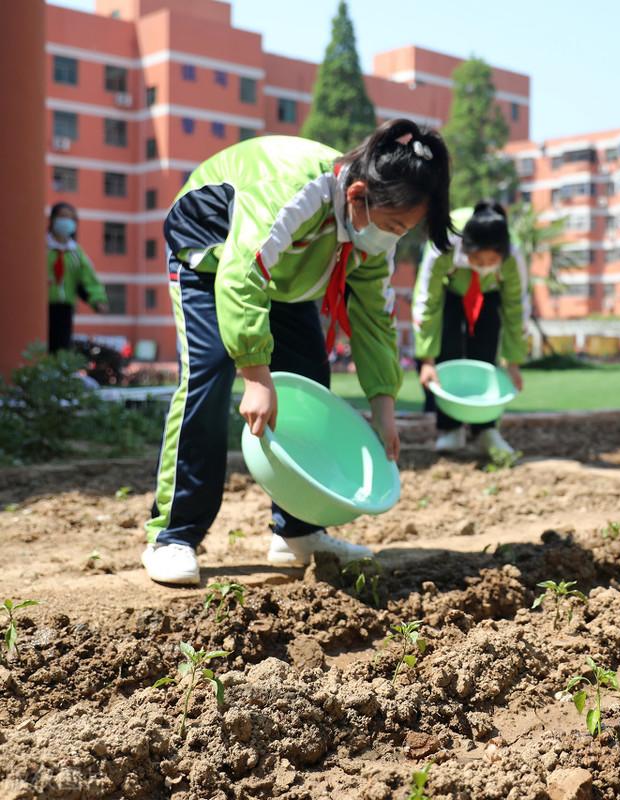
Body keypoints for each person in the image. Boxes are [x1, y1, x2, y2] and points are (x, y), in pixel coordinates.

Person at [143, 119, 452, 586]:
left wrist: (383, 406)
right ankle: (174, 535)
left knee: (310, 377)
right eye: (391, 225)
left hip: (282, 277)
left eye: (404, 230)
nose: (393, 238)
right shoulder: (294, 188)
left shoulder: (373, 239)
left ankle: (298, 532)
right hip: (210, 256)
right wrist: (255, 374)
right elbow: (242, 274)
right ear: (357, 194)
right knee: (208, 378)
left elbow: (373, 320)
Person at [413, 201, 528, 455]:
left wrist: (514, 362)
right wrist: (427, 360)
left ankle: (485, 429)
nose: (484, 263)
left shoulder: (513, 252)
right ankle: (449, 428)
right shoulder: (444, 240)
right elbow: (426, 300)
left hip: (489, 294)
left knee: (486, 354)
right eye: (477, 258)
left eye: (492, 259)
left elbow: (516, 307)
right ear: (465, 248)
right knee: (447, 349)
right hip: (448, 292)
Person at [46, 202, 108, 352]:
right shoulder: (42, 248)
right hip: (43, 307)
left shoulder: (75, 253)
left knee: (61, 349)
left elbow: (88, 279)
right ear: (53, 219)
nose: (66, 221)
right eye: (63, 216)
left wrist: (98, 300)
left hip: (65, 308)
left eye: (71, 218)